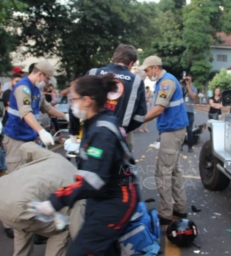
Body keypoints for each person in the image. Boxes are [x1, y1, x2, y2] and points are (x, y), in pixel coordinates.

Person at [34, 74, 139, 256]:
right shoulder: (96, 122)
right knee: (102, 249)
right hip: (103, 197)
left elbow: (93, 180)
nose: (72, 105)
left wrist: (56, 200)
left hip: (117, 200)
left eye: (73, 100)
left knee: (82, 251)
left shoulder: (101, 131)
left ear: (87, 100)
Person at [0, 142, 85, 256]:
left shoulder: (55, 158)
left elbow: (26, 147)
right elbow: (77, 231)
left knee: (22, 225)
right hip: (18, 207)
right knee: (63, 228)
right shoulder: (78, 189)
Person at [138, 55, 189, 225]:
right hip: (175, 130)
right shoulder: (164, 81)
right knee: (174, 171)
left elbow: (159, 109)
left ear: (155, 68)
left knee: (163, 172)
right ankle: (180, 208)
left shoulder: (166, 82)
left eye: (147, 70)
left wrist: (137, 121)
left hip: (172, 131)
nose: (146, 73)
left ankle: (166, 213)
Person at [68, 44, 147, 152]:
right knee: (116, 167)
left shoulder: (93, 73)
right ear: (131, 63)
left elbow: (74, 103)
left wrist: (73, 134)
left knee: (91, 161)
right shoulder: (136, 82)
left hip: (91, 134)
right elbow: (140, 117)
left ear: (113, 57)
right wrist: (124, 129)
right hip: (118, 139)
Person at [3, 59, 69, 173]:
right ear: (40, 74)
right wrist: (41, 131)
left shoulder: (37, 90)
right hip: (16, 139)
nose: (48, 83)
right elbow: (26, 112)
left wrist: (66, 116)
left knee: (31, 174)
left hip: (29, 138)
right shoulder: (23, 88)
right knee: (17, 175)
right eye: (47, 79)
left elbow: (47, 107)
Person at [0, 73, 23, 178]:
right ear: (12, 81)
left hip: (18, 124)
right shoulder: (7, 93)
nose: (18, 83)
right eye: (16, 81)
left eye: (20, 81)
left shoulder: (21, 92)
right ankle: (2, 170)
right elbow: (14, 105)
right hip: (7, 124)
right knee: (5, 148)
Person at [182, 73, 198, 153]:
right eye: (186, 79)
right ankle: (180, 146)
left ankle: (190, 146)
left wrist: (188, 87)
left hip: (190, 112)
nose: (187, 80)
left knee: (189, 130)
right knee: (181, 129)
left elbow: (193, 97)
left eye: (188, 79)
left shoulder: (194, 88)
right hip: (182, 111)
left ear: (191, 79)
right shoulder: (182, 88)